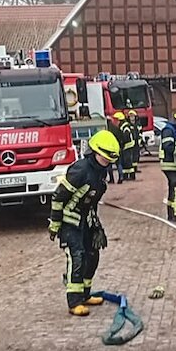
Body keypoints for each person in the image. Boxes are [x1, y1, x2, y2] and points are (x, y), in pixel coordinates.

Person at [49, 129, 119, 316]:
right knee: (77, 257)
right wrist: (55, 224)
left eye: (109, 160)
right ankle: (74, 302)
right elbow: (58, 197)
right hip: (69, 222)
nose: (107, 162)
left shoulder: (100, 172)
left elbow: (91, 204)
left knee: (92, 255)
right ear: (94, 152)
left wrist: (96, 225)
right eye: (105, 158)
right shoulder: (80, 170)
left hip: (85, 220)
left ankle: (85, 294)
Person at [115, 111, 138, 181]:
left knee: (128, 161)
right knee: (125, 161)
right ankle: (126, 175)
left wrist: (122, 143)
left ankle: (132, 175)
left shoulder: (125, 126)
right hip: (127, 146)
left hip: (128, 146)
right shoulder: (123, 126)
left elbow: (126, 137)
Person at [107, 112, 127, 184]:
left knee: (109, 165)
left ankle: (111, 179)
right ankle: (120, 178)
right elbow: (121, 138)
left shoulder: (106, 130)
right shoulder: (116, 129)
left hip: (108, 149)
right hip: (117, 148)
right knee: (118, 164)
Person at [125, 109, 143, 176]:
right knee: (131, 156)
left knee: (136, 155)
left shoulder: (138, 124)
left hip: (136, 142)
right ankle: (132, 169)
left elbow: (140, 132)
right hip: (131, 142)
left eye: (133, 116)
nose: (132, 118)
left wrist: (140, 140)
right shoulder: (128, 125)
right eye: (130, 116)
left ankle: (135, 168)